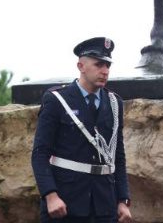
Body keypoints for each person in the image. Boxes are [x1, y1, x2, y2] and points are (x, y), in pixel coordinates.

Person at [31, 37, 132, 222]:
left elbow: (118, 155)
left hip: (104, 204)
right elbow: (40, 153)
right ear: (81, 66)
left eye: (108, 66)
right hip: (66, 202)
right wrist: (50, 195)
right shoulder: (57, 99)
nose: (105, 71)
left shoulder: (114, 102)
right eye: (99, 65)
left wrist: (123, 199)